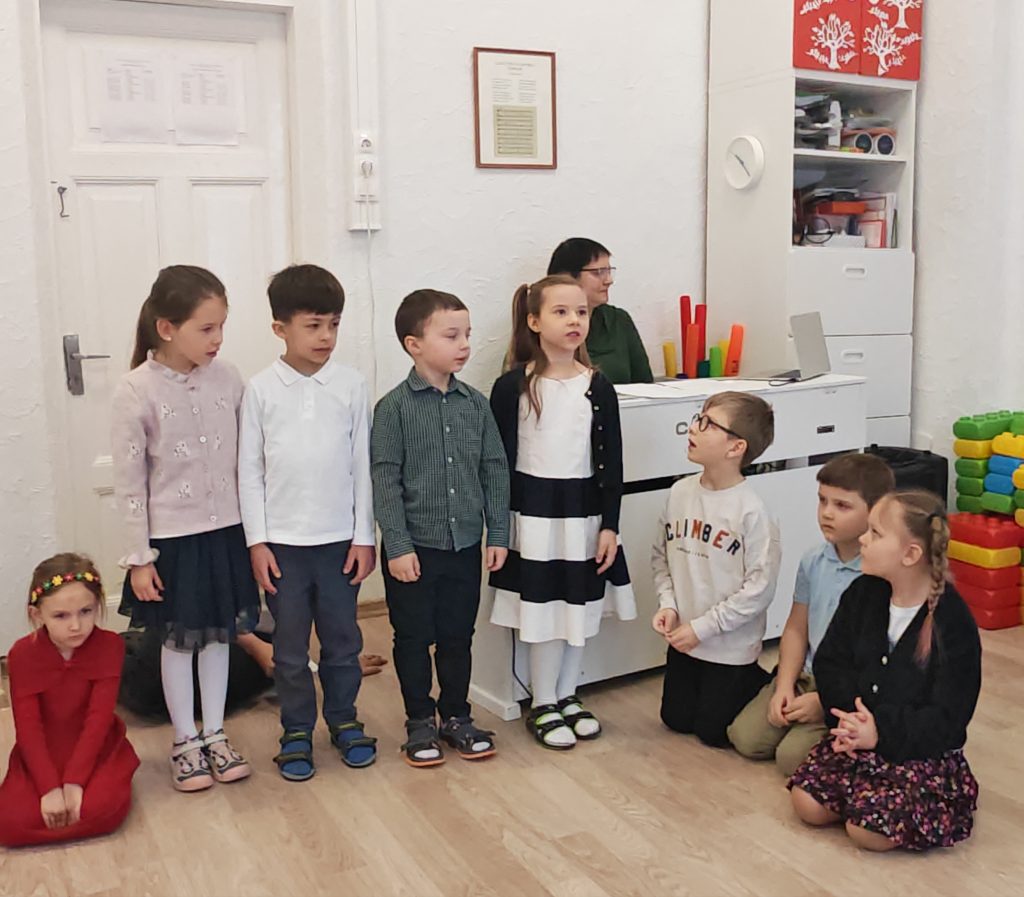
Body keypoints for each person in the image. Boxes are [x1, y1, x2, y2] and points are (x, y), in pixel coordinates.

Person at [111, 265, 258, 792]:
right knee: (178, 641)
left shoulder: (230, 378)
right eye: (206, 328)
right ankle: (185, 741)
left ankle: (215, 733)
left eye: (222, 327)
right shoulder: (136, 390)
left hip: (227, 533)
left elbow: (249, 459)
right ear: (167, 328)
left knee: (218, 636)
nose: (217, 340)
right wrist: (139, 557)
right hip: (173, 542)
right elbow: (130, 483)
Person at [238, 264, 377, 781]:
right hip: (283, 549)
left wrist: (364, 536)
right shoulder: (260, 391)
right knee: (290, 650)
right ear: (280, 328)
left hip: (340, 543)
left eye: (333, 324)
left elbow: (362, 465)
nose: (326, 336)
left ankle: (344, 719)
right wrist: (258, 542)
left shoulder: (352, 385)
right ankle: (296, 729)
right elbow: (249, 472)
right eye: (313, 325)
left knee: (343, 643)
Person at [490, 275, 637, 750]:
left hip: (583, 516)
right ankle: (543, 700)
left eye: (581, 312)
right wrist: (498, 527)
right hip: (533, 518)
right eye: (561, 312)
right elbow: (496, 462)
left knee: (580, 606)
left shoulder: (598, 386)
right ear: (534, 321)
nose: (575, 320)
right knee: (541, 611)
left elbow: (612, 462)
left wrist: (610, 525)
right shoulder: (512, 386)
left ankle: (569, 693)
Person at [790, 490, 981, 852]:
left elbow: (948, 716)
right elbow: (831, 663)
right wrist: (851, 720)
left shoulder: (952, 622)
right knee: (806, 804)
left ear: (910, 554)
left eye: (875, 533)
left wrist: (880, 731)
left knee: (867, 832)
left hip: (916, 750)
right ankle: (863, 796)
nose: (863, 539)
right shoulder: (863, 593)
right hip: (858, 738)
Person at [371, 289, 510, 767]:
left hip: (464, 545)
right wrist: (397, 545)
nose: (464, 344)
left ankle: (456, 716)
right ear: (414, 344)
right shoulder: (393, 408)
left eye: (467, 334)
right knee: (412, 637)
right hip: (414, 549)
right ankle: (419, 721)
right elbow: (384, 481)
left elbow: (494, 469)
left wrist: (498, 534)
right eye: (451, 335)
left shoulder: (476, 405)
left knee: (457, 636)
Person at [728, 453, 895, 775]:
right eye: (822, 501)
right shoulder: (813, 560)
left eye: (842, 506)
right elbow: (796, 628)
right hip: (807, 673)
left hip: (850, 686)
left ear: (876, 512)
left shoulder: (880, 576)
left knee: (791, 759)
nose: (827, 513)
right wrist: (784, 685)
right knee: (745, 739)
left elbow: (880, 660)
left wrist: (824, 702)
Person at [651, 391, 781, 747]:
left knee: (714, 733)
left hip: (728, 646)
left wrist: (704, 627)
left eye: (708, 424)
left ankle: (770, 683)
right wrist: (668, 605)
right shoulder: (679, 492)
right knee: (676, 719)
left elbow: (759, 590)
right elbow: (660, 557)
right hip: (685, 640)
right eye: (698, 418)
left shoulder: (752, 511)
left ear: (736, 447)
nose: (694, 428)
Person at [0, 553, 139, 847]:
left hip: (94, 748)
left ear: (98, 606)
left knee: (100, 809)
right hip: (43, 753)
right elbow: (28, 728)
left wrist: (75, 781)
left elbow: (98, 720)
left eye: (85, 611)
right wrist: (49, 787)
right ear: (37, 615)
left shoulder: (109, 646)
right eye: (61, 616)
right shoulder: (22, 655)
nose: (76, 626)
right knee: (11, 822)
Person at [546, 237, 653, 384]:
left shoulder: (618, 320)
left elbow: (645, 383)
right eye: (598, 273)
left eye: (608, 271)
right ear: (566, 277)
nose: (608, 280)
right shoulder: (543, 323)